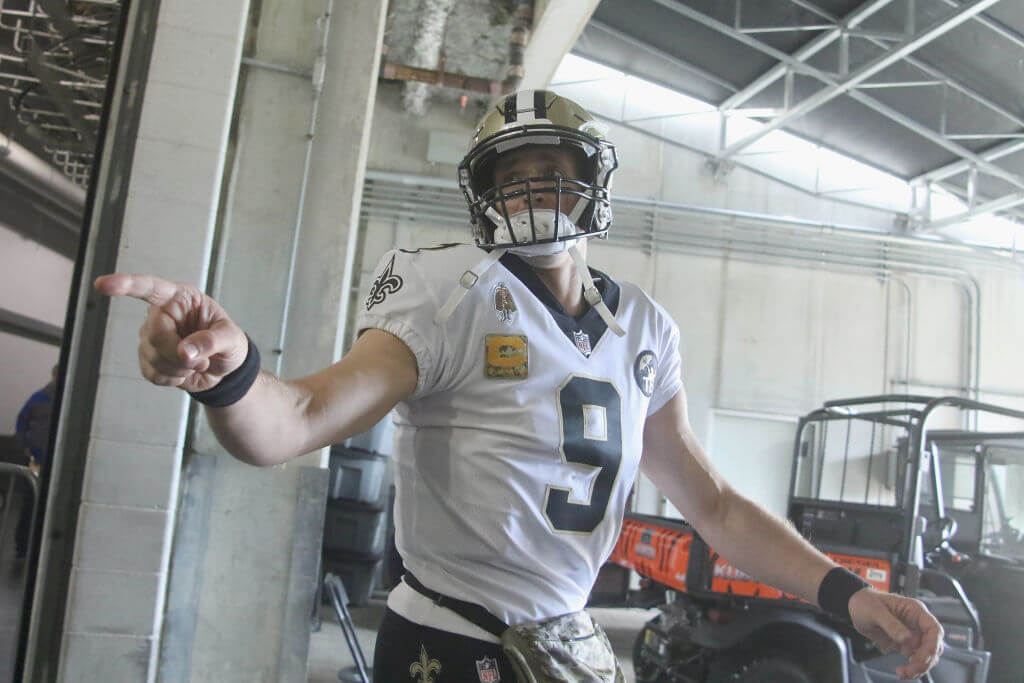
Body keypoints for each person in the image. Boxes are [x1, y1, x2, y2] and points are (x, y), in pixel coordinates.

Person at [94, 90, 943, 681]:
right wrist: (231, 373)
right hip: (452, 642)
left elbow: (714, 504)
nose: (535, 187)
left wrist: (850, 592)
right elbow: (300, 418)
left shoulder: (643, 325)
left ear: (592, 182)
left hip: (561, 639)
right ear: (485, 194)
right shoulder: (448, 288)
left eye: (554, 168)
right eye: (514, 173)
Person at [12, 364, 57, 559]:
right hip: (36, 460)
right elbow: (21, 422)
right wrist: (25, 446)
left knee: (43, 504)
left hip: (49, 458)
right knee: (31, 503)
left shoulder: (60, 398)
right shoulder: (39, 398)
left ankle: (34, 548)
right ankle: (23, 547)